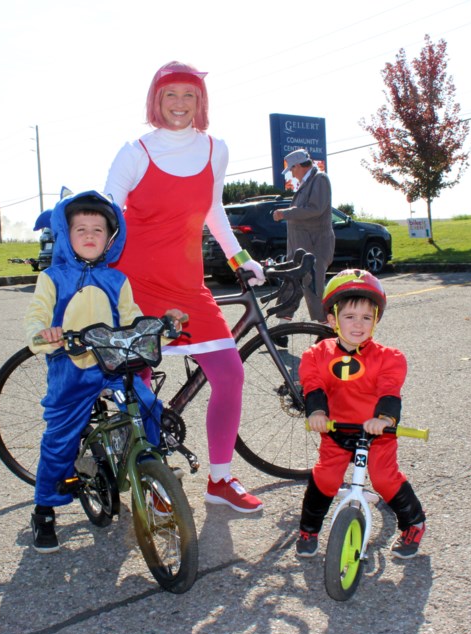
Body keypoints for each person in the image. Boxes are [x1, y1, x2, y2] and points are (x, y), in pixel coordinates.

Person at [104, 60, 267, 513]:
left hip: (186, 285)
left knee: (230, 374)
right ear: (156, 100)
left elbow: (212, 210)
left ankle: (220, 479)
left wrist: (241, 258)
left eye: (189, 95)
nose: (180, 104)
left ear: (202, 101)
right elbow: (105, 215)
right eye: (170, 95)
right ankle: (149, 477)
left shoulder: (216, 150)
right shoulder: (134, 151)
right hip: (133, 284)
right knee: (137, 385)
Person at [24, 190, 184, 553]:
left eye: (98, 228)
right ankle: (44, 508)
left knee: (148, 410)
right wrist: (44, 333)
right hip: (72, 366)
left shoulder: (118, 280)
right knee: (61, 437)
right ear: (65, 234)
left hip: (115, 365)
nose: (90, 235)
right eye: (80, 228)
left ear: (112, 237)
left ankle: (152, 475)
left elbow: (130, 320)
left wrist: (159, 328)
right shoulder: (53, 278)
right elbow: (36, 315)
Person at [293, 269, 427, 559]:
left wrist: (385, 419)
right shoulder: (316, 354)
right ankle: (308, 529)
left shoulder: (388, 358)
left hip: (376, 432)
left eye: (367, 318)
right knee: (325, 479)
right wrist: (316, 412)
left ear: (375, 320)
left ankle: (413, 522)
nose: (358, 325)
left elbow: (390, 391)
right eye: (350, 317)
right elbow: (313, 386)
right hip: (336, 429)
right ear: (332, 320)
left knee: (384, 479)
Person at [271, 149, 336, 323]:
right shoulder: (308, 183)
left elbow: (315, 209)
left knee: (313, 286)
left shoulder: (320, 179)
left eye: (292, 169)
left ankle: (326, 329)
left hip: (315, 245)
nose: (291, 174)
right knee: (291, 281)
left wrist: (286, 213)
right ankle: (282, 328)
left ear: (299, 166)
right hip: (301, 245)